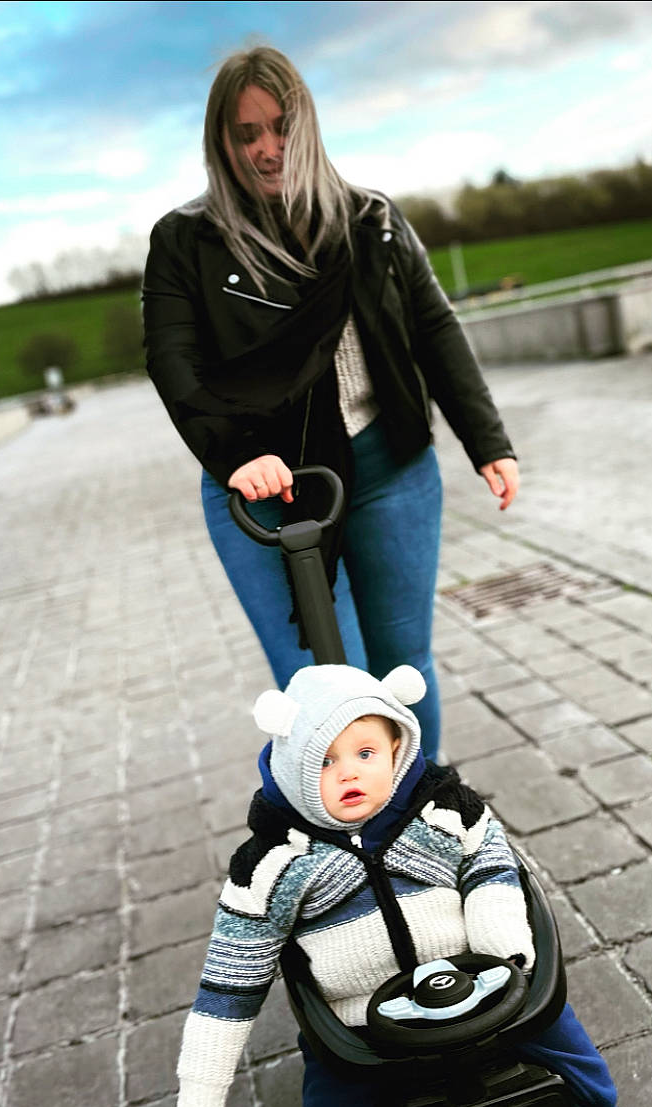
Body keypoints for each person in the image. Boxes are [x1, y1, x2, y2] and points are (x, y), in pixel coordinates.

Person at [142, 45, 520, 762]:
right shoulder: (185, 241)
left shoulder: (371, 218)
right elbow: (172, 362)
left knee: (401, 669)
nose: (266, 147)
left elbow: (434, 327)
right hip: (270, 488)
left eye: (280, 126)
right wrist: (234, 454)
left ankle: (417, 823)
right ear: (219, 141)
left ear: (307, 122)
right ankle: (352, 843)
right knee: (323, 687)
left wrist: (488, 441)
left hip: (390, 469)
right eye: (245, 132)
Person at [174, 663, 626, 1107]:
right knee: (333, 1106)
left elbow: (490, 862)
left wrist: (502, 944)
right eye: (325, 761)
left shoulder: (443, 810)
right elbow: (231, 974)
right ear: (294, 768)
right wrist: (203, 1086)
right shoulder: (274, 863)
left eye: (364, 753)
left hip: (484, 983)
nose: (348, 773)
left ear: (396, 749)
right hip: (361, 1024)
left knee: (566, 1045)